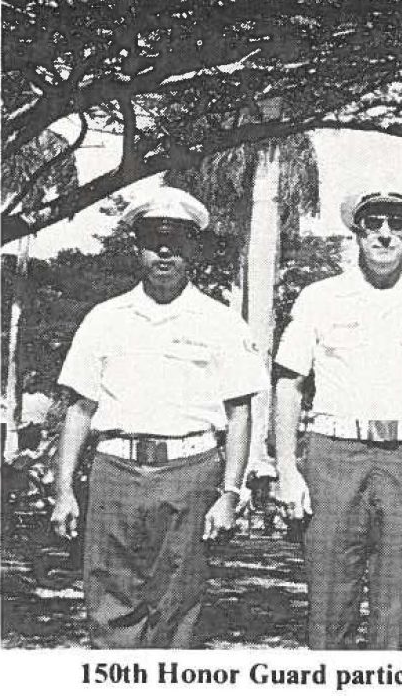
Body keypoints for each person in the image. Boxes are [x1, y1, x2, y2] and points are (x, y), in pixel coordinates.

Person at [50, 186, 268, 648]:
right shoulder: (104, 318)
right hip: (115, 471)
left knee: (178, 606)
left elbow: (239, 412)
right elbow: (80, 408)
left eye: (178, 241)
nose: (165, 251)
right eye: (153, 239)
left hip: (190, 472)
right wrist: (64, 490)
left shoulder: (222, 322)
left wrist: (229, 493)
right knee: (109, 604)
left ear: (195, 249)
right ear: (137, 248)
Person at [273, 188, 402, 650]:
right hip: (334, 456)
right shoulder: (321, 297)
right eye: (374, 223)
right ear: (356, 231)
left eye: (397, 224)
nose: (385, 234)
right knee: (327, 601)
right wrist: (286, 468)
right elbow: (289, 384)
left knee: (397, 604)